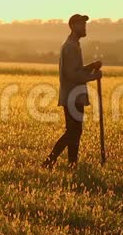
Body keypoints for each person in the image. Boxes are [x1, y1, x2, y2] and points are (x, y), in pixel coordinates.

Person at [42, 14, 102, 169]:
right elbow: (72, 74)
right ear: (73, 26)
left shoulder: (74, 45)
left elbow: (76, 70)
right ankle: (49, 161)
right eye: (81, 24)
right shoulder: (70, 46)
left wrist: (90, 66)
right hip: (72, 96)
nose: (84, 27)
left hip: (75, 96)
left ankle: (71, 164)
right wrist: (94, 76)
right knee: (72, 132)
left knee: (75, 132)